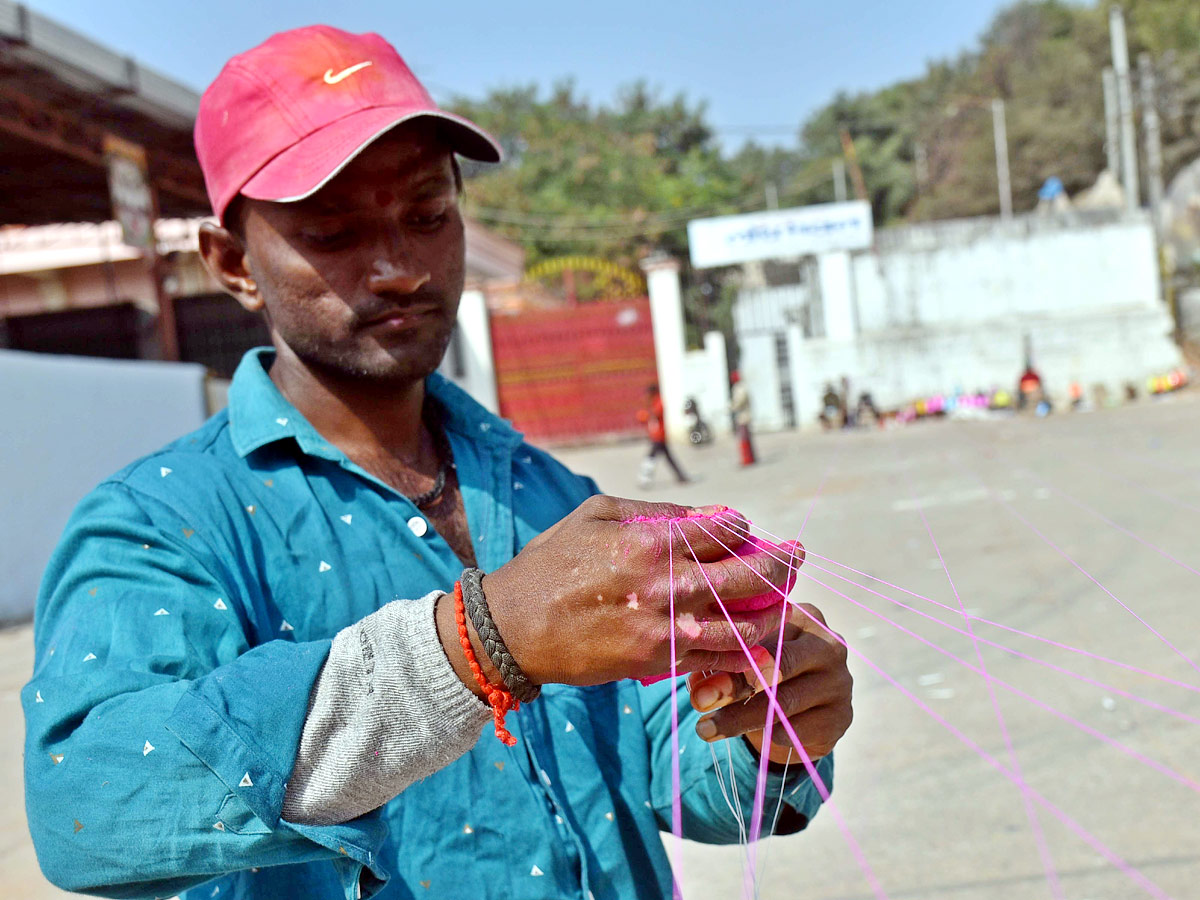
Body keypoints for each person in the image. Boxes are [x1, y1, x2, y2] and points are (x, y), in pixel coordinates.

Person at [23, 26, 852, 900]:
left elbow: (673, 772)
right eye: (335, 231)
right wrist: (474, 649)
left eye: (426, 215)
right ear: (233, 264)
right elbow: (88, 806)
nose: (398, 269)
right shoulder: (161, 524)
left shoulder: (547, 492)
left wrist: (769, 723)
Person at [636, 383, 690, 486]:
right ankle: (681, 476)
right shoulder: (650, 402)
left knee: (651, 456)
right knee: (667, 457)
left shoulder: (658, 402)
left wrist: (647, 410)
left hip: (659, 435)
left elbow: (655, 414)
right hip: (655, 435)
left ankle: (645, 478)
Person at [729, 370, 755, 466]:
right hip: (741, 416)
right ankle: (747, 458)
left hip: (744, 416)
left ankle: (748, 459)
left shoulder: (741, 388)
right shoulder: (738, 388)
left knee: (744, 438)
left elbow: (740, 401)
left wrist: (732, 407)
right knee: (744, 438)